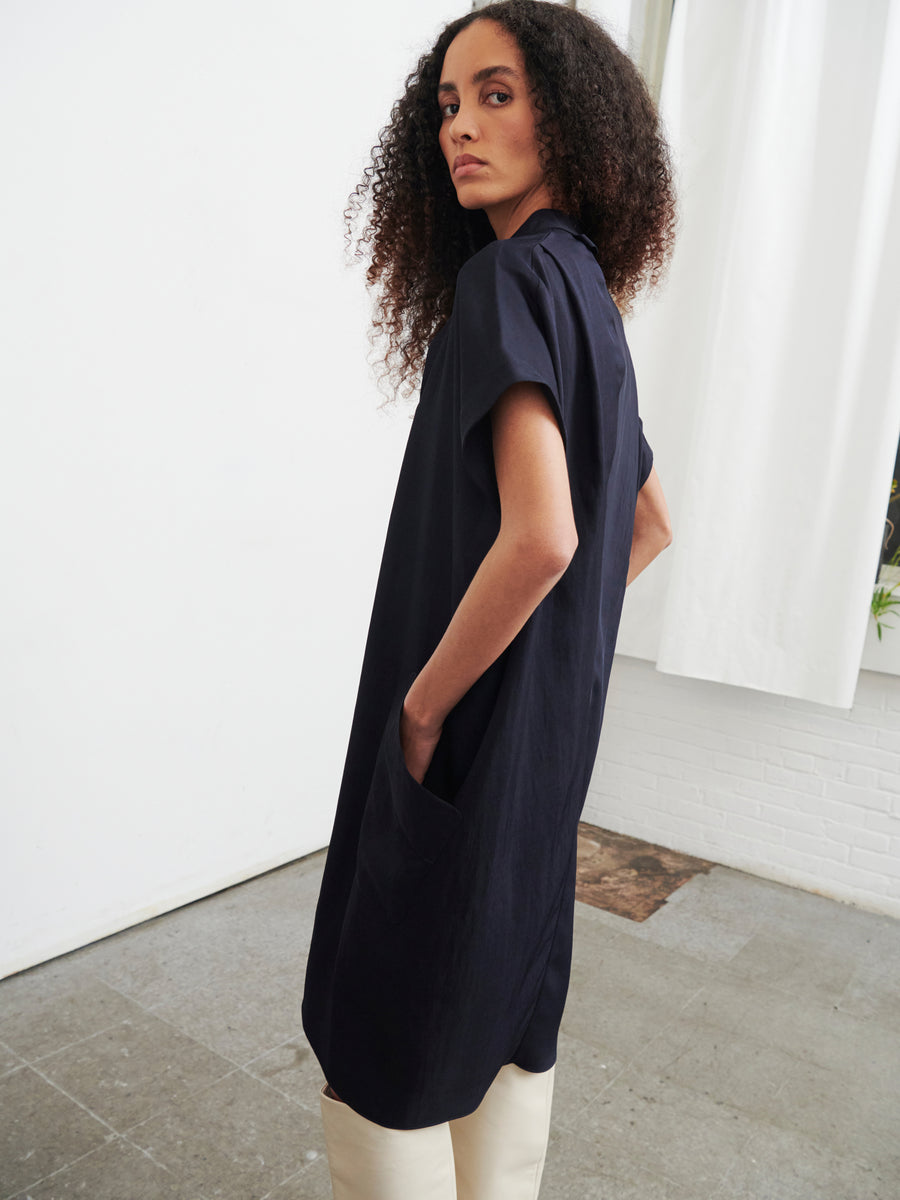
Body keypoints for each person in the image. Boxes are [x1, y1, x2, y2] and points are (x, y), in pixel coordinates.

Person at [301, 2, 675, 1196]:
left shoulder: (507, 281)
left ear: (566, 115)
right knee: (502, 1002)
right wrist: (549, 666)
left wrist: (424, 710)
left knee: (385, 1028)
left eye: (497, 94)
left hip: (458, 745)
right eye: (448, 103)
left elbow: (546, 538)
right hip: (539, 759)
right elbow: (650, 523)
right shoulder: (587, 295)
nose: (462, 124)